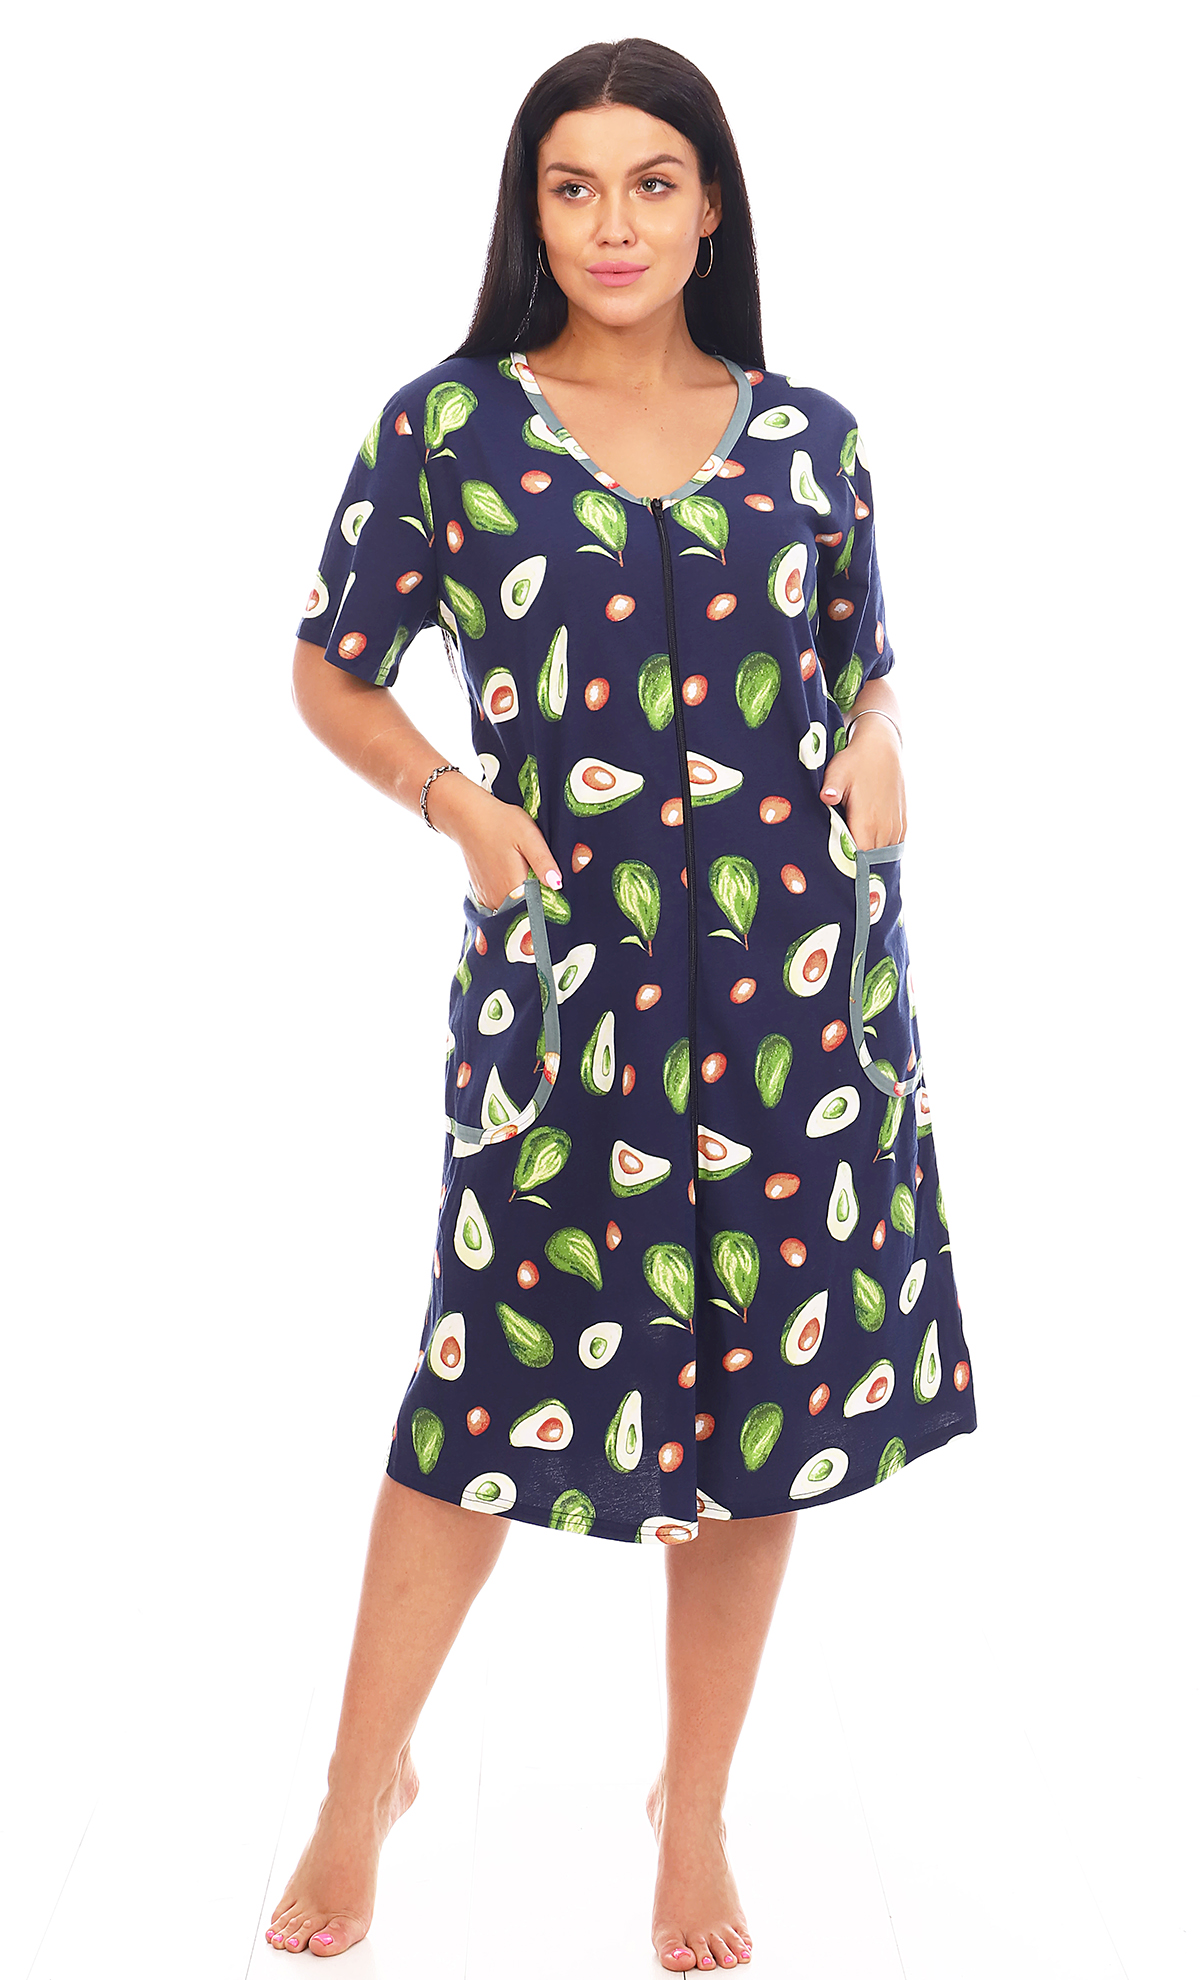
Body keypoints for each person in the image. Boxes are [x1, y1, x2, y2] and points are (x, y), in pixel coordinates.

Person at [268, 36, 977, 1967]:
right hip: (564, 1001)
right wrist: (450, 801)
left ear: (711, 207)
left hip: (797, 995)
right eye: (572, 185)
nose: (612, 222)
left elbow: (861, 663)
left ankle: (698, 1811)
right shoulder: (447, 431)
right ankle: (360, 1786)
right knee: (477, 1392)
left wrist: (884, 733)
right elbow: (330, 666)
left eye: (651, 182)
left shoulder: (812, 436)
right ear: (531, 210)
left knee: (765, 1407)